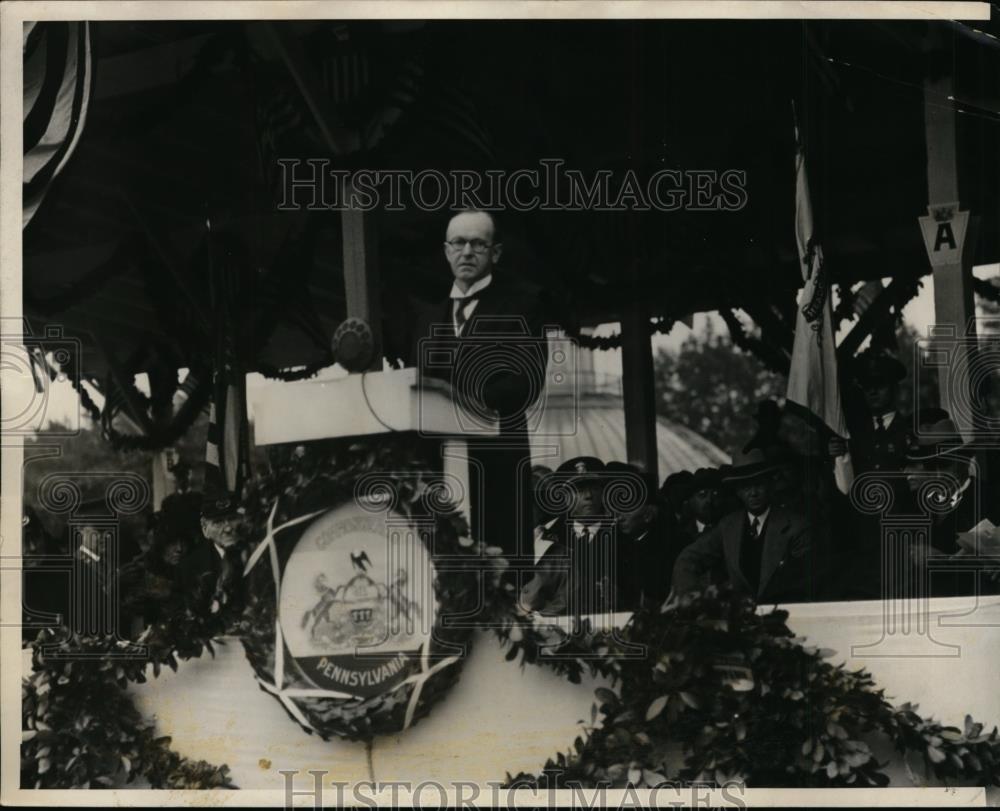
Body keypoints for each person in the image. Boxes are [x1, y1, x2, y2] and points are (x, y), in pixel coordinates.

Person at [404, 210, 547, 557]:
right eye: (458, 243)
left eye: (477, 243)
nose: (467, 252)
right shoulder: (426, 318)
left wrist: (461, 399)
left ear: (494, 253)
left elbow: (527, 380)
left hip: (496, 463)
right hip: (438, 468)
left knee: (501, 570)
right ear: (446, 251)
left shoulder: (523, 305)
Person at [672, 449, 822, 604]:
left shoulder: (797, 526)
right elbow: (688, 559)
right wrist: (691, 596)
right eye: (745, 487)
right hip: (742, 618)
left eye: (759, 485)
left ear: (770, 485)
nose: (753, 493)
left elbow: (806, 584)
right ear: (737, 491)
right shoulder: (728, 526)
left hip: (786, 615)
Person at [520, 456, 624, 618]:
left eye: (594, 488)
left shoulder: (624, 537)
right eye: (579, 489)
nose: (589, 495)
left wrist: (620, 598)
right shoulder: (546, 539)